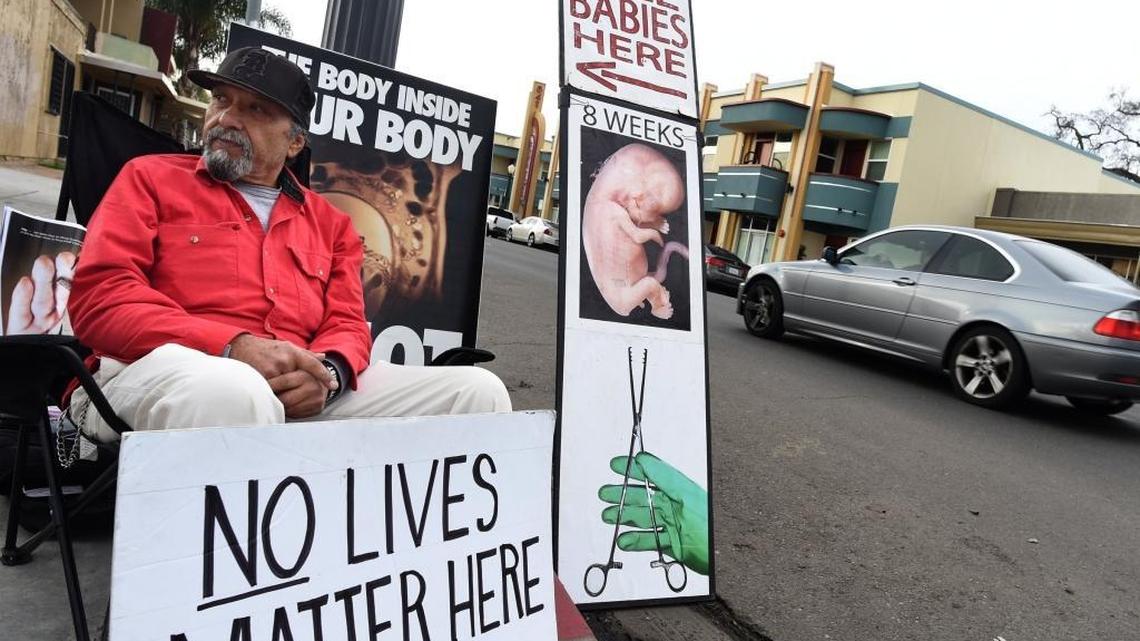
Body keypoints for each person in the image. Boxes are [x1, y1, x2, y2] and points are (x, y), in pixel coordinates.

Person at [66, 47, 510, 443]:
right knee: (235, 393)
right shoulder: (149, 179)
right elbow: (100, 300)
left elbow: (349, 324)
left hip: (292, 394)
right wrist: (231, 346)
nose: (227, 119)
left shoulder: (331, 224)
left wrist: (330, 374)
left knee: (476, 394)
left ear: (295, 141)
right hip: (154, 372)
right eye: (221, 100)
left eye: (256, 109)